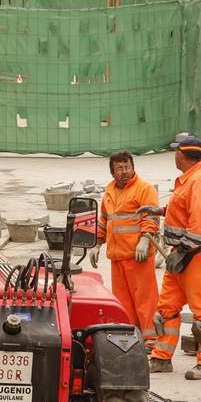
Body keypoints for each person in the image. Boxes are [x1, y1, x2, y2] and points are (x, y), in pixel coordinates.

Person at [147, 135, 201, 380]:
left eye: (175, 151)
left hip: (195, 255)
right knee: (166, 309)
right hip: (182, 254)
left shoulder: (198, 182)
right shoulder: (188, 179)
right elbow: (183, 210)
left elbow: (197, 226)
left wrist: (180, 252)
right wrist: (160, 211)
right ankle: (161, 357)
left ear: (182, 154)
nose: (173, 155)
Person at [88, 150, 160, 354]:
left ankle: (151, 340)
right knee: (124, 302)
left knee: (145, 300)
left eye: (127, 167)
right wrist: (97, 244)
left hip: (138, 256)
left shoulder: (144, 189)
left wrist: (145, 240)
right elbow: (104, 220)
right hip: (118, 257)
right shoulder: (109, 191)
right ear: (112, 172)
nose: (124, 172)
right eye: (119, 168)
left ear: (133, 167)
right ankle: (132, 336)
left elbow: (151, 218)